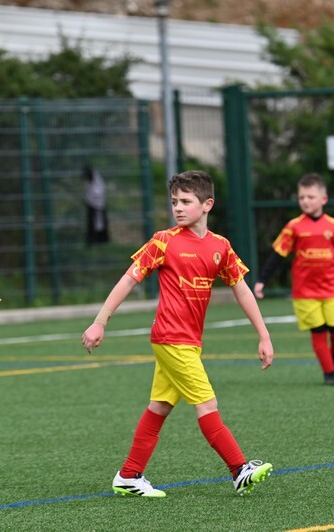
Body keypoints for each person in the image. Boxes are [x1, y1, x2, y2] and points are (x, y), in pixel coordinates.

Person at [82, 170, 274, 498]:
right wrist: (100, 320)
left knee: (159, 406)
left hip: (189, 341)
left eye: (186, 201)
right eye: (174, 202)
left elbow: (241, 289)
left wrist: (264, 335)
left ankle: (129, 475)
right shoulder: (164, 241)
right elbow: (129, 279)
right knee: (207, 404)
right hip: (171, 339)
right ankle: (239, 469)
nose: (178, 208)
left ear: (207, 205)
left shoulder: (221, 246)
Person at [254, 172, 334, 386]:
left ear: (324, 199)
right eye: (302, 197)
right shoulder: (293, 226)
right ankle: (331, 373)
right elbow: (278, 255)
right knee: (318, 331)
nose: (305, 201)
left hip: (331, 289)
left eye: (310, 197)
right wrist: (262, 280)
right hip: (305, 292)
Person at [83, 164, 109, 245]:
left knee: (100, 223)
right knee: (91, 223)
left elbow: (98, 192)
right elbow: (87, 191)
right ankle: (92, 239)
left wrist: (92, 200)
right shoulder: (88, 181)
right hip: (91, 205)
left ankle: (101, 239)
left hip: (98, 205)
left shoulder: (97, 181)